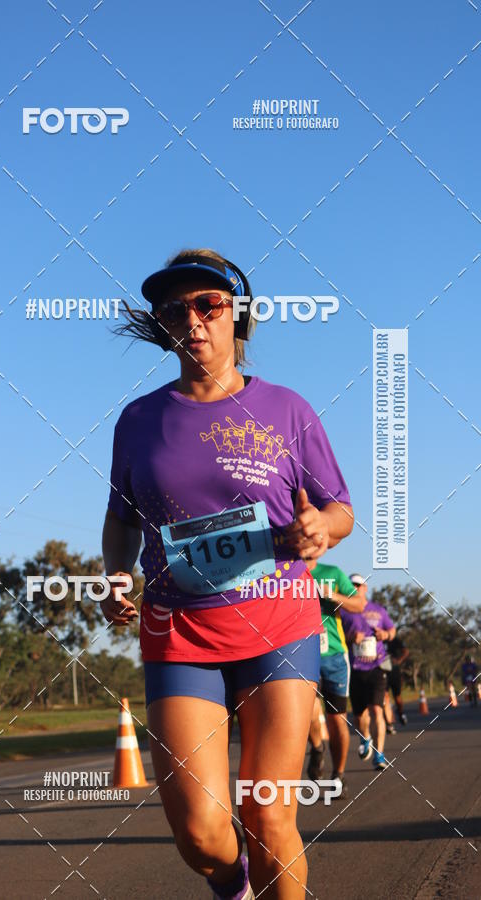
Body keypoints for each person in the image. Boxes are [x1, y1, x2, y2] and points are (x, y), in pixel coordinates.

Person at [101, 248, 354, 899]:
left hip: (279, 625)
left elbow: (340, 509)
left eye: (208, 304)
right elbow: (121, 520)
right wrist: (115, 576)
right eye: (174, 309)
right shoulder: (138, 421)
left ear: (236, 314)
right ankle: (234, 884)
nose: (192, 319)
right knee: (201, 835)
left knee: (268, 817)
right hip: (180, 632)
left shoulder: (287, 410)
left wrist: (321, 529)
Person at [304, 558, 365, 797]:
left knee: (337, 719)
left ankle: (338, 774)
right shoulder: (286, 571)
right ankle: (317, 747)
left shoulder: (332, 572)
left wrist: (333, 595)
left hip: (334, 656)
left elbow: (359, 604)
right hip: (300, 654)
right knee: (308, 712)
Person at [340, 575, 396, 771]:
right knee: (359, 716)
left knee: (377, 710)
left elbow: (392, 630)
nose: (355, 587)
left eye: (358, 585)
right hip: (355, 669)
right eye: (351, 585)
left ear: (365, 588)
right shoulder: (343, 610)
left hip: (377, 667)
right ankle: (365, 737)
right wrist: (350, 638)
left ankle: (379, 754)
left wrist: (385, 634)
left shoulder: (378, 610)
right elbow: (336, 636)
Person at [383, 632, 409, 727]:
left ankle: (401, 713)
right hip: (382, 672)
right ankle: (389, 722)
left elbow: (406, 651)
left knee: (397, 697)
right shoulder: (377, 639)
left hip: (394, 671)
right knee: (385, 697)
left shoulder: (394, 640)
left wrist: (398, 661)